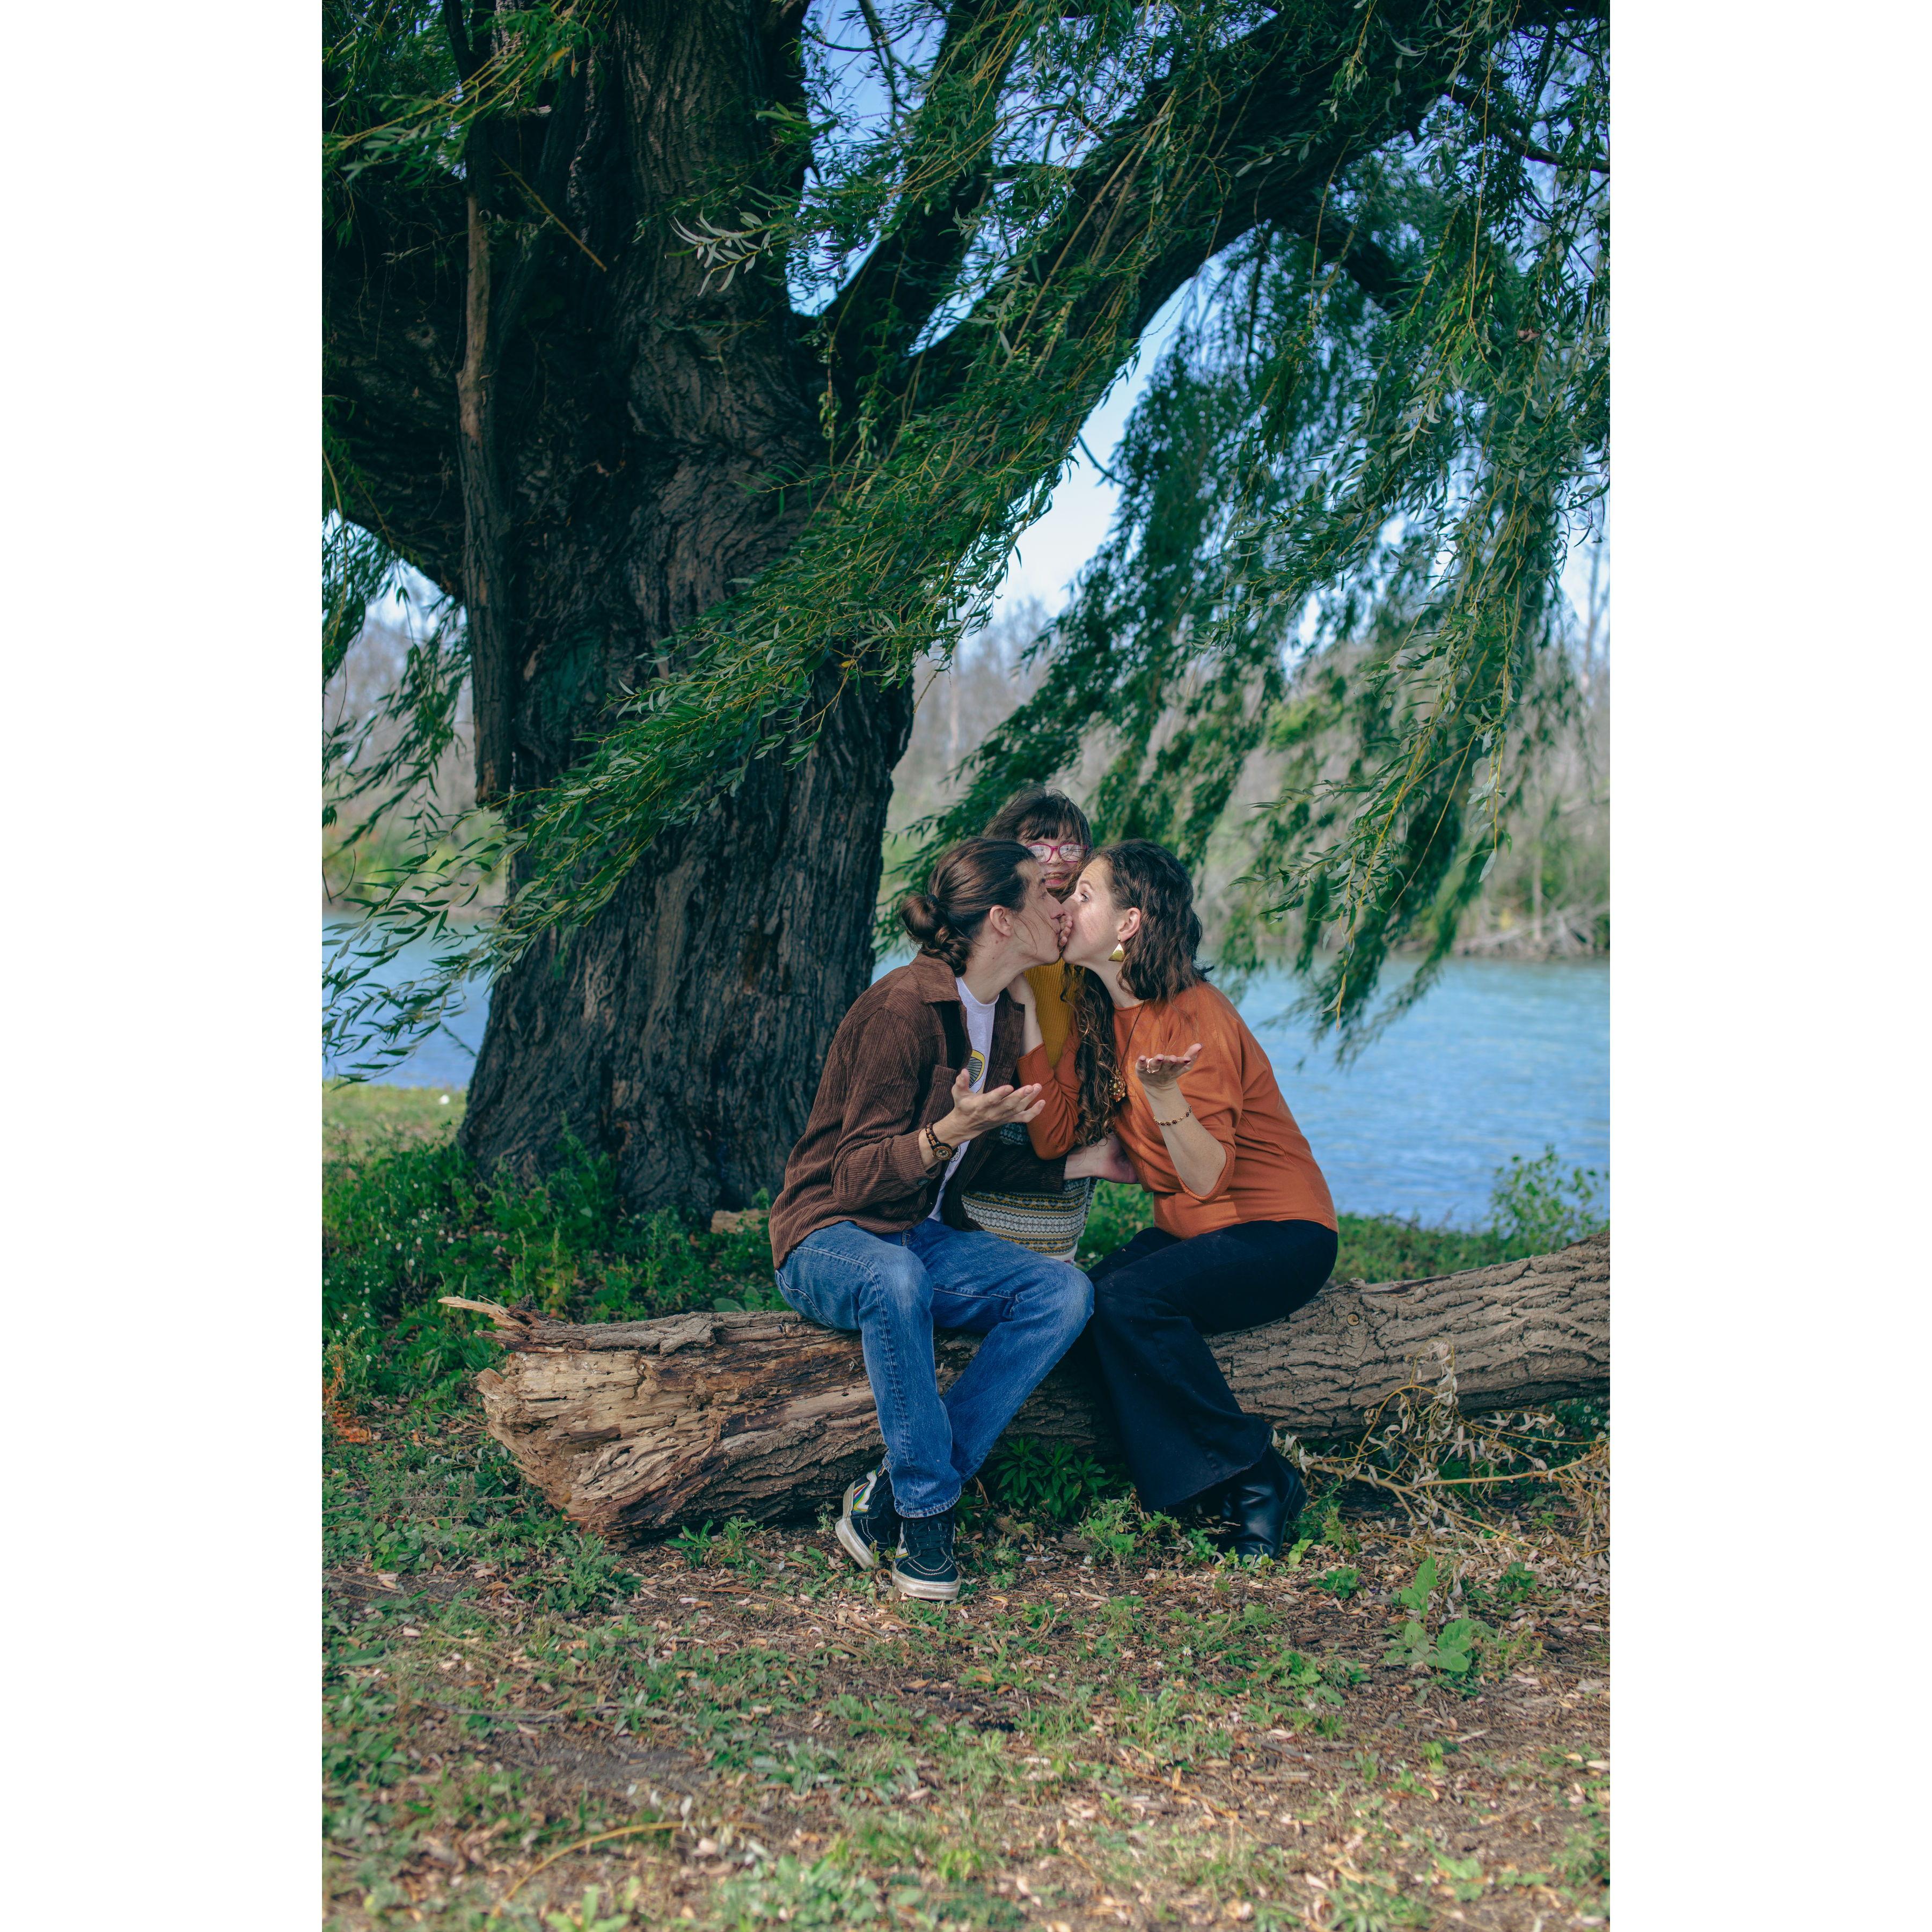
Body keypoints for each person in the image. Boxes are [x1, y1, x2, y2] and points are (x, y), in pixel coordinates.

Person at [767, 838, 1118, 1602]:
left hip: (913, 1233)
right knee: (896, 1280)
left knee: (1064, 1294)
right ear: (1002, 919)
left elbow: (975, 1162)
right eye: (1045, 893)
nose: (1061, 904)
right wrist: (944, 1134)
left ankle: (890, 1495)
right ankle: (927, 1517)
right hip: (827, 1235)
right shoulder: (902, 1008)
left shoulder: (1002, 1016)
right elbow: (853, 1177)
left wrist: (1087, 1162)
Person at [1013, 839, 1339, 1560]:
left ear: (1129, 923)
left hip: (1280, 1230)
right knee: (1079, 1304)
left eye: (1085, 896)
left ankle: (1257, 1477)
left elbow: (1207, 1178)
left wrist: (1164, 1096)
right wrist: (1028, 1001)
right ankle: (1203, 1488)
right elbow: (1053, 1135)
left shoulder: (1195, 1015)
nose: (1067, 906)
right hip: (1196, 1234)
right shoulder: (1104, 1013)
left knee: (1129, 1302)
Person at [960, 788, 1132, 1258]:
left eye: (1069, 848)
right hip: (1004, 1081)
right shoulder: (995, 922)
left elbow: (1122, 973)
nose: (1055, 861)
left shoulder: (1091, 926)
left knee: (1053, 1242)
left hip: (1068, 1085)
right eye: (1038, 847)